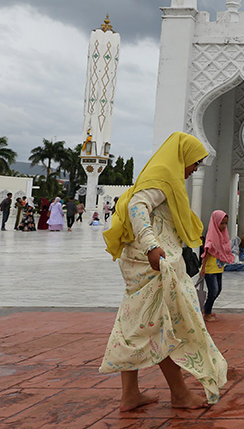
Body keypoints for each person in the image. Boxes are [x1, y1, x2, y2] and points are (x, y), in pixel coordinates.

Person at [99, 132, 226, 411]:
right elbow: (137, 206)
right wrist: (151, 245)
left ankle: (129, 394)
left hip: (144, 267)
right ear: (182, 157)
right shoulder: (161, 181)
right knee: (165, 327)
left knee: (134, 326)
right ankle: (179, 393)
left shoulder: (163, 179)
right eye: (195, 162)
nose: (195, 169)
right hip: (154, 267)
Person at [201, 210, 236, 322]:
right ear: (216, 222)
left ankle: (208, 309)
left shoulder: (222, 235)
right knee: (213, 290)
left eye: (225, 223)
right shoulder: (212, 236)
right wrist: (203, 267)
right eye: (222, 223)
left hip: (219, 268)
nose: (224, 226)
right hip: (210, 268)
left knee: (218, 289)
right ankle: (207, 313)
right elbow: (206, 252)